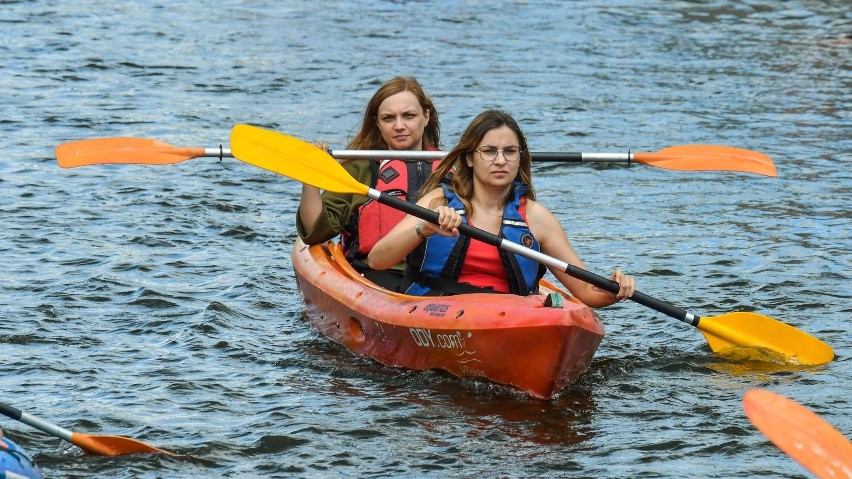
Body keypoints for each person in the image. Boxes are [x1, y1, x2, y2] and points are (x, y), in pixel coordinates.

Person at [367, 110, 636, 306]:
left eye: (509, 151)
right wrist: (423, 228)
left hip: (510, 317)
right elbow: (378, 260)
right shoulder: (436, 202)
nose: (500, 160)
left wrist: (615, 289)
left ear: (520, 157)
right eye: (489, 151)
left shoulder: (535, 217)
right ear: (470, 159)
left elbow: (587, 292)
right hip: (438, 308)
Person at [296, 76, 441, 290]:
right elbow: (315, 232)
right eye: (389, 118)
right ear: (377, 122)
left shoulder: (452, 168)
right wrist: (312, 175)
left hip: (438, 275)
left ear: (426, 116)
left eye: (408, 116)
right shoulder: (360, 168)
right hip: (376, 274)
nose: (399, 126)